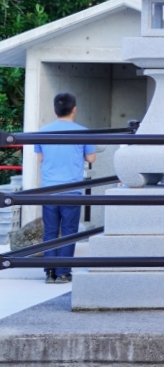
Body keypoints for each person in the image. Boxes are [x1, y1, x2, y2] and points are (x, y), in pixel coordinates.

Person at [34, 93, 95, 285]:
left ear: (54, 110)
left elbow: (40, 158)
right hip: (72, 190)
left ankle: (49, 272)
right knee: (69, 231)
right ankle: (63, 272)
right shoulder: (83, 132)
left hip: (49, 190)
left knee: (50, 231)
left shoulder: (42, 131)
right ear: (74, 109)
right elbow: (91, 159)